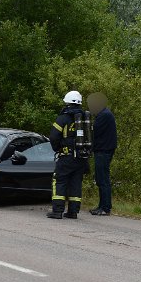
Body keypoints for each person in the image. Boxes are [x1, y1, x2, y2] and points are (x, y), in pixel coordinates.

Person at [47, 91, 89, 219]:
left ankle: (57, 211)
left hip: (67, 156)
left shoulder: (63, 118)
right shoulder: (85, 118)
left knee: (59, 180)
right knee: (75, 183)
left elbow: (53, 136)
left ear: (67, 102)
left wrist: (57, 148)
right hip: (82, 156)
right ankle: (73, 212)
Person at [88, 93, 117, 216]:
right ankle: (102, 206)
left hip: (103, 150)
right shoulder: (104, 114)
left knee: (103, 179)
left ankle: (105, 207)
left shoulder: (104, 115)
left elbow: (93, 131)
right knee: (100, 178)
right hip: (103, 150)